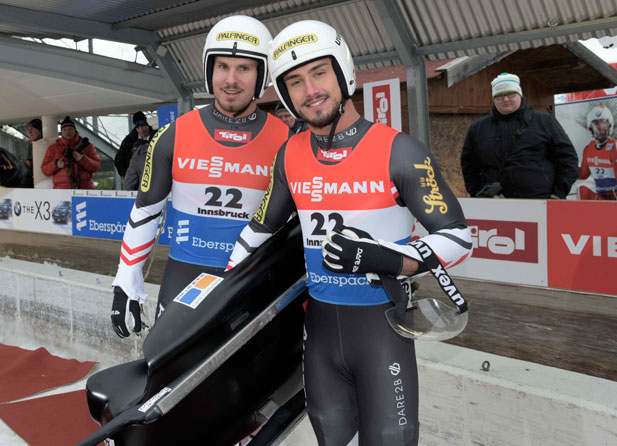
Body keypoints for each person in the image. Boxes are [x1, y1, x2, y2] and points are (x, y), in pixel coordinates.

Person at [227, 20, 472, 445]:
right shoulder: (289, 155)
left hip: (382, 331)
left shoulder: (400, 150)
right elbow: (260, 229)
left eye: (319, 73)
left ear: (343, 73)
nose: (310, 90)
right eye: (295, 82)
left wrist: (389, 259)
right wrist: (220, 295)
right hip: (320, 333)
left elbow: (458, 237)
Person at [110, 15, 289, 337]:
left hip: (254, 281)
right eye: (222, 67)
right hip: (184, 277)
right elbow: (146, 210)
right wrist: (126, 277)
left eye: (244, 68)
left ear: (261, 75)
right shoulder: (172, 135)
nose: (231, 79)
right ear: (209, 71)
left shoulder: (286, 141)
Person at [461, 72, 578, 199]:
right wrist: (477, 193)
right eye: (499, 95)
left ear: (520, 95)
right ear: (493, 99)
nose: (506, 99)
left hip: (541, 201)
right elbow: (469, 165)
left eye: (511, 94)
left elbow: (567, 158)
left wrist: (558, 193)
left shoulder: (544, 121)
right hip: (495, 203)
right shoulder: (478, 128)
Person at [41, 116, 101, 189]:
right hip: (61, 189)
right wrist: (56, 164)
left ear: (75, 130)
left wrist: (83, 159)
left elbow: (96, 167)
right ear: (61, 131)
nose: (67, 132)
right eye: (64, 129)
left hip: (85, 189)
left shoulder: (88, 146)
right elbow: (44, 170)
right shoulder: (52, 148)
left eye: (70, 129)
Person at [577, 105, 617, 200]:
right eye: (595, 123)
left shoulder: (614, 146)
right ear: (590, 128)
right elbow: (582, 175)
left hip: (615, 199)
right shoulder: (588, 149)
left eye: (603, 122)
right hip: (602, 198)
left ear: (610, 125)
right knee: (582, 190)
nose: (599, 127)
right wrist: (565, 164)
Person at [114, 111, 155, 178]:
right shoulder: (128, 141)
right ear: (135, 128)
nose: (141, 130)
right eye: (138, 127)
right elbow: (119, 159)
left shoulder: (156, 136)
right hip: (136, 177)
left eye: (143, 126)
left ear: (147, 125)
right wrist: (127, 176)